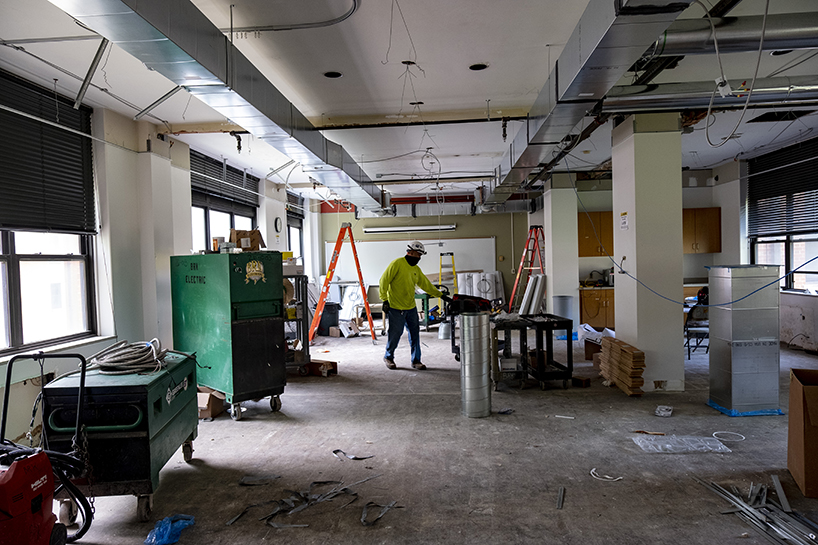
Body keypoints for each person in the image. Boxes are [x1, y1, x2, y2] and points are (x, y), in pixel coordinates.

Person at [379, 241, 451, 370]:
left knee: (415, 334)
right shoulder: (397, 264)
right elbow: (384, 280)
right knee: (395, 333)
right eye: (418, 254)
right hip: (396, 307)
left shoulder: (416, 269)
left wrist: (441, 295)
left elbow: (426, 285)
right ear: (410, 252)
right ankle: (388, 357)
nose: (419, 258)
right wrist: (384, 300)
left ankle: (416, 360)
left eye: (420, 256)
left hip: (410, 307)